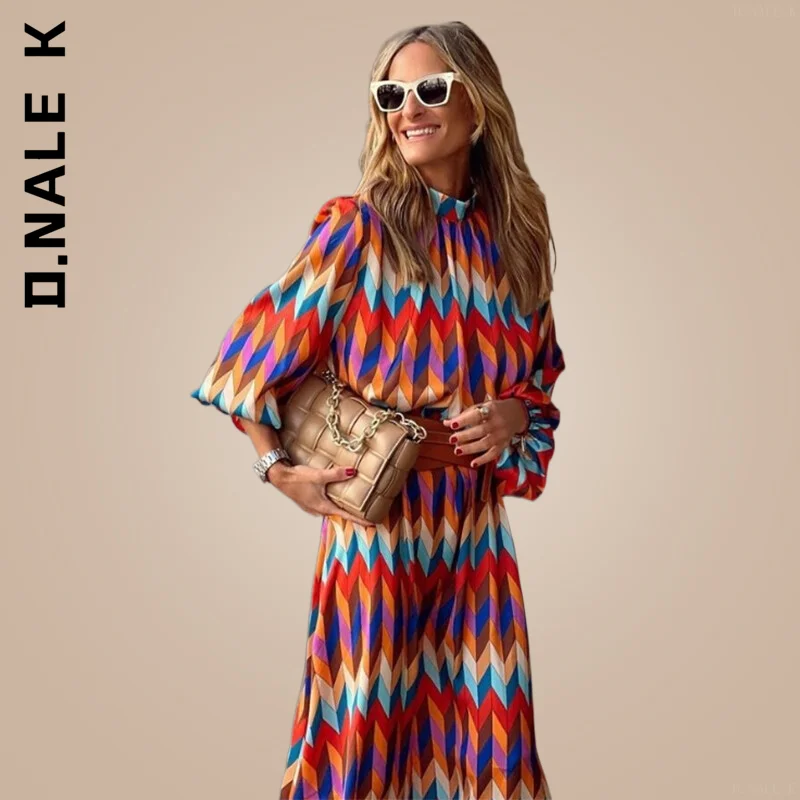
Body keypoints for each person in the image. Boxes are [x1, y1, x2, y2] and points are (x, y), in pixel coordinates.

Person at [190, 20, 565, 800]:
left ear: (477, 103)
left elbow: (539, 377)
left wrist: (516, 416)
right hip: (379, 527)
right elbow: (246, 361)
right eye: (390, 94)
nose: (408, 109)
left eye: (430, 89)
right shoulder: (357, 228)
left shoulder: (516, 238)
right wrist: (276, 469)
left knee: (487, 731)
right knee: (363, 730)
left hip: (475, 529)